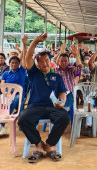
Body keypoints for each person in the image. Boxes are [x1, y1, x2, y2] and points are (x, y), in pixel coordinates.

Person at [18, 33, 69, 163]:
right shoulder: (34, 73)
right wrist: (36, 40)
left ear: (50, 61)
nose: (44, 63)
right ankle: (38, 144)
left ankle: (49, 145)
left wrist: (61, 103)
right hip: (35, 106)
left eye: (46, 60)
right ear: (37, 63)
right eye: (41, 61)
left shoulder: (57, 77)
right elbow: (28, 56)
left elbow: (62, 93)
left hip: (52, 107)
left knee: (64, 117)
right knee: (23, 119)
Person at [0, 56, 26, 137]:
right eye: (12, 62)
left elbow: (25, 58)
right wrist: (5, 93)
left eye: (16, 63)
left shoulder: (22, 71)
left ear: (19, 64)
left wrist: (24, 46)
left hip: (18, 94)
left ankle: (0, 124)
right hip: (7, 94)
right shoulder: (5, 74)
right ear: (9, 64)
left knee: (14, 100)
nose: (14, 64)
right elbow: (2, 86)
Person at [54, 42, 82, 113]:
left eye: (65, 61)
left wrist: (76, 55)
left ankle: (63, 113)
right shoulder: (55, 70)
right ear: (59, 61)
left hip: (69, 94)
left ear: (68, 61)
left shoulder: (71, 69)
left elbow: (79, 67)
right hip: (57, 94)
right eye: (61, 61)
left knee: (63, 110)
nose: (63, 63)